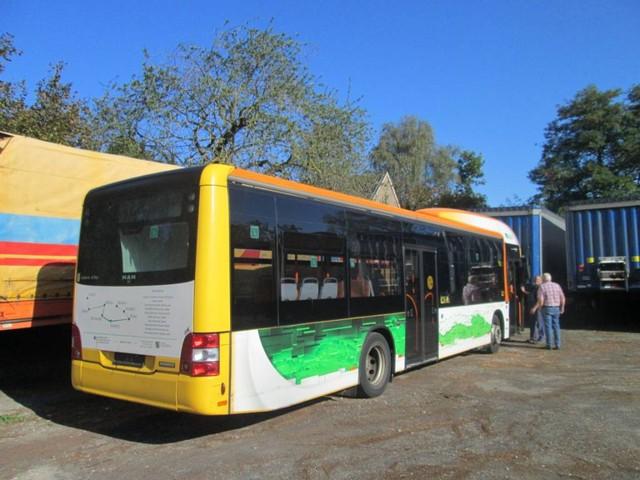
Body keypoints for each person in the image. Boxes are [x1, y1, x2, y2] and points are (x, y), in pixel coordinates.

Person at [532, 272, 565, 350]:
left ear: (543, 279)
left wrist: (540, 308)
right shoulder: (557, 285)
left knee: (548, 327)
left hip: (547, 308)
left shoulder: (542, 287)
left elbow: (541, 300)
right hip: (556, 308)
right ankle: (557, 344)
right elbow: (562, 297)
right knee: (556, 326)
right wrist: (562, 307)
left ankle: (549, 344)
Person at [522, 276, 545, 344]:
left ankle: (541, 338)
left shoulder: (540, 288)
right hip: (532, 307)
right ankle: (533, 337)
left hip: (537, 308)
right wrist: (524, 291)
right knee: (532, 322)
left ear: (541, 281)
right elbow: (531, 294)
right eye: (535, 280)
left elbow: (539, 300)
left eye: (537, 280)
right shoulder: (533, 287)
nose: (535, 281)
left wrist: (535, 308)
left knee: (539, 322)